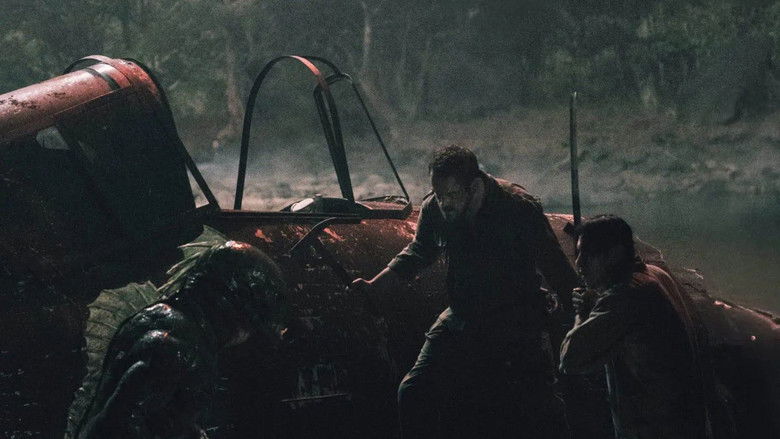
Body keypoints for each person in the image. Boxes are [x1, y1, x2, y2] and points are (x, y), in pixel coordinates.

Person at [351, 145, 579, 438]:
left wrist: (580, 310)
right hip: (463, 315)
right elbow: (419, 251)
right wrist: (375, 287)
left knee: (538, 411)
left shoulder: (516, 207)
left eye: (451, 195)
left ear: (474, 188)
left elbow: (555, 265)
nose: (444, 203)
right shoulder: (436, 208)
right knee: (413, 391)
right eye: (439, 194)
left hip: (516, 319)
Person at [74, 241, 287, 439]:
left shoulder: (171, 325)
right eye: (249, 325)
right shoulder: (174, 346)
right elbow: (120, 422)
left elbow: (156, 415)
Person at [559, 215, 708, 439]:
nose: (579, 264)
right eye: (578, 254)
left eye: (588, 255)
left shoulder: (624, 296)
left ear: (615, 254)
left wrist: (582, 314)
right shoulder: (654, 274)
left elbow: (570, 358)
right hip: (685, 423)